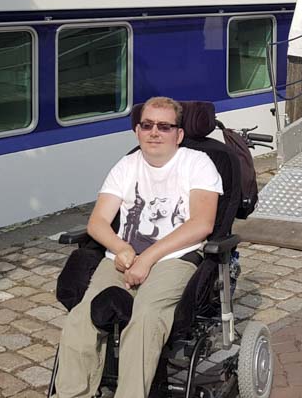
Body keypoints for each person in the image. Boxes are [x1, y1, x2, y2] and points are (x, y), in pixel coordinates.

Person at [55, 96, 222, 398]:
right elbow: (97, 223)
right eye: (146, 125)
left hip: (174, 258)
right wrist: (120, 248)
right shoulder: (126, 165)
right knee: (82, 317)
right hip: (123, 258)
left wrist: (148, 259)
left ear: (179, 134)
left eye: (164, 126)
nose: (154, 132)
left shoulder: (198, 164)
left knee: (145, 316)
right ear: (137, 131)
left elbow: (202, 224)